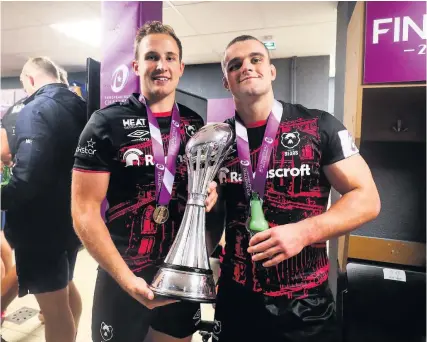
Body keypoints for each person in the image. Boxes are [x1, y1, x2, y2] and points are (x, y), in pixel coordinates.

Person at [211, 35, 381, 342]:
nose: (246, 67)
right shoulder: (217, 141)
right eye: (235, 65)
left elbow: (367, 198)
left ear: (272, 71)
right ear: (227, 82)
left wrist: (304, 232)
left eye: (255, 59)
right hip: (236, 299)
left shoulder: (319, 126)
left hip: (305, 305)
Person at [71, 21, 218, 342]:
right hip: (123, 272)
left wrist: (210, 189)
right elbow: (84, 210)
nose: (161, 65)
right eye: (151, 57)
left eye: (169, 57)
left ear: (181, 67)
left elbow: (204, 183)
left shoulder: (195, 124)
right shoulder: (106, 123)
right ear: (136, 65)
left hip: (181, 273)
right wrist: (126, 280)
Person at [1, 56, 86, 342]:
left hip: (39, 226)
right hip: (70, 221)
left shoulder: (33, 108)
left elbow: (26, 178)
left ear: (31, 79)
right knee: (65, 290)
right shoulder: (83, 106)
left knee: (55, 310)